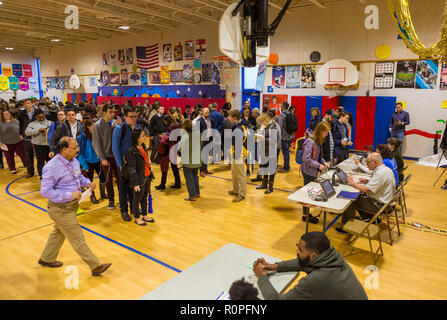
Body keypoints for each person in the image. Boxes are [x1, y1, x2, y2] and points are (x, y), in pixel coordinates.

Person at [39, 136, 111, 276]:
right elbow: (45, 191)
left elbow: (78, 178)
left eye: (77, 147)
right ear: (64, 149)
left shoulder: (74, 161)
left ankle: (46, 258)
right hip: (60, 209)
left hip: (71, 206)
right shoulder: (51, 167)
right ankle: (95, 266)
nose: (78, 150)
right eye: (75, 148)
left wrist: (87, 183)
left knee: (58, 234)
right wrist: (69, 195)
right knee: (77, 237)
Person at [253, 231, 368, 300]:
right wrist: (276, 266)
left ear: (313, 256)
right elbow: (305, 263)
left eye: (300, 250)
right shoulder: (335, 258)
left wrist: (262, 276)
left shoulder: (315, 280)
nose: (297, 252)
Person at [336, 152, 396, 234]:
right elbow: (380, 183)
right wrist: (368, 181)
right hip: (386, 203)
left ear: (375, 162)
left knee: (350, 199)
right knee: (359, 195)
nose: (367, 164)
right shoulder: (385, 169)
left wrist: (352, 182)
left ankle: (347, 227)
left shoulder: (380, 173)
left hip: (380, 206)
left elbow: (365, 189)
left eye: (368, 162)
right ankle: (371, 217)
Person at [112, 106, 139, 221]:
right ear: (125, 117)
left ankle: (134, 208)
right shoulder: (119, 129)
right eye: (131, 117)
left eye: (135, 116)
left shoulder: (137, 128)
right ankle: (124, 210)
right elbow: (115, 148)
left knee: (134, 187)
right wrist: (120, 164)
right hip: (123, 164)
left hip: (135, 163)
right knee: (123, 189)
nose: (134, 119)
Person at [301, 122, 331, 224]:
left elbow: (318, 156)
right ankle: (305, 215)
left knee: (310, 193)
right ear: (320, 132)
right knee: (307, 194)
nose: (326, 135)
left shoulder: (317, 141)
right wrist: (318, 165)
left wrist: (323, 162)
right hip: (308, 171)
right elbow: (306, 159)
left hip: (313, 170)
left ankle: (307, 213)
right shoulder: (310, 142)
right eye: (326, 133)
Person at [125, 128, 155, 226]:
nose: (145, 137)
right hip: (139, 179)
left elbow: (146, 162)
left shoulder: (143, 147)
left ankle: (145, 215)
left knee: (145, 197)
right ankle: (137, 217)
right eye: (142, 135)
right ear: (137, 138)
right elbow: (132, 169)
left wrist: (150, 174)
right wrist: (135, 183)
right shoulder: (131, 151)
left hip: (146, 177)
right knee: (136, 199)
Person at [92, 104, 119, 209]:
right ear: (104, 112)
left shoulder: (116, 124)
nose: (113, 114)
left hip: (117, 157)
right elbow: (96, 143)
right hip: (106, 157)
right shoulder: (98, 125)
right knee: (108, 180)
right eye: (110, 112)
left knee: (120, 179)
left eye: (114, 112)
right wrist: (102, 158)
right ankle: (111, 200)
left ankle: (123, 199)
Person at [77, 119, 106, 204]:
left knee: (103, 178)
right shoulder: (81, 136)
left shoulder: (97, 134)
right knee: (89, 181)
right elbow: (80, 153)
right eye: (94, 125)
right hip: (87, 163)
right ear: (88, 126)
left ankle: (103, 194)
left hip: (97, 161)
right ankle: (92, 196)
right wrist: (84, 165)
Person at [25, 109, 52, 179]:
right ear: (36, 116)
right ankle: (41, 175)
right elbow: (27, 132)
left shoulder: (50, 123)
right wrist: (38, 130)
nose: (41, 117)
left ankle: (51, 174)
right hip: (38, 145)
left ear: (44, 114)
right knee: (40, 161)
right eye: (39, 116)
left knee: (50, 161)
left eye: (42, 115)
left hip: (49, 145)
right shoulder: (32, 124)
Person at [227, 110, 248, 203]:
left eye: (230, 117)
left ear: (234, 118)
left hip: (238, 153)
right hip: (236, 152)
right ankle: (236, 190)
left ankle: (242, 194)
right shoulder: (239, 126)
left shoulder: (238, 129)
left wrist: (236, 156)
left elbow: (238, 144)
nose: (228, 118)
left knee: (240, 174)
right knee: (234, 172)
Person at [179, 119, 202, 201]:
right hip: (197, 158)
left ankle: (192, 195)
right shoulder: (198, 133)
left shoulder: (185, 136)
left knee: (189, 177)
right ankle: (197, 193)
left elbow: (180, 148)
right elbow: (201, 144)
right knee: (195, 176)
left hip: (188, 160)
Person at [256, 113, 279, 194]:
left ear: (266, 119)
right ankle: (264, 184)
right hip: (263, 150)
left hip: (271, 151)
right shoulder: (264, 126)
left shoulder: (273, 127)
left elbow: (274, 140)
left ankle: (270, 187)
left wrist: (263, 139)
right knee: (264, 167)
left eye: (262, 121)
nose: (261, 123)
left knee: (272, 170)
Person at [0, 109, 26, 174]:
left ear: (10, 114)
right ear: (2, 116)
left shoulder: (16, 121)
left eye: (7, 113)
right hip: (6, 143)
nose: (6, 115)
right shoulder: (0, 123)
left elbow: (21, 129)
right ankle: (12, 169)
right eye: (4, 114)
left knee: (23, 155)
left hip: (18, 142)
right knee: (9, 157)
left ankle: (27, 167)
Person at [18, 98, 37, 178]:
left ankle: (42, 172)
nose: (27, 105)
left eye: (28, 103)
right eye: (25, 103)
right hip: (26, 136)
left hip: (37, 136)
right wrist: (20, 134)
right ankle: (30, 172)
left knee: (40, 155)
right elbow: (20, 125)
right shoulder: (21, 113)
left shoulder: (38, 112)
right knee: (28, 155)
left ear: (32, 103)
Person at [278, 102, 295, 173]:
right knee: (287, 152)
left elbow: (280, 127)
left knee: (285, 152)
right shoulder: (291, 113)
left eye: (281, 106)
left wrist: (278, 136)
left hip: (284, 137)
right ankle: (287, 165)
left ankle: (286, 167)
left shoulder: (282, 114)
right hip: (290, 136)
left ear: (283, 106)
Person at [199, 107, 215, 177]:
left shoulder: (212, 120)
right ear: (202, 113)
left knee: (206, 155)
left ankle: (205, 169)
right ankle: (201, 170)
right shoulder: (199, 121)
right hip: (203, 140)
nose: (207, 114)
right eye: (205, 113)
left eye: (208, 113)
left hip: (210, 139)